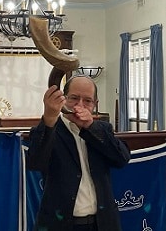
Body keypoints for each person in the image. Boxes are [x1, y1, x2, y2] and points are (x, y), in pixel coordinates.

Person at [27, 75, 131, 231]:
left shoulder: (101, 129)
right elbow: (35, 162)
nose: (79, 105)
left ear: (95, 105)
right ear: (63, 99)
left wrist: (90, 127)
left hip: (101, 224)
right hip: (60, 224)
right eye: (74, 98)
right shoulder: (50, 129)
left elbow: (122, 159)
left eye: (87, 101)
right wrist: (48, 118)